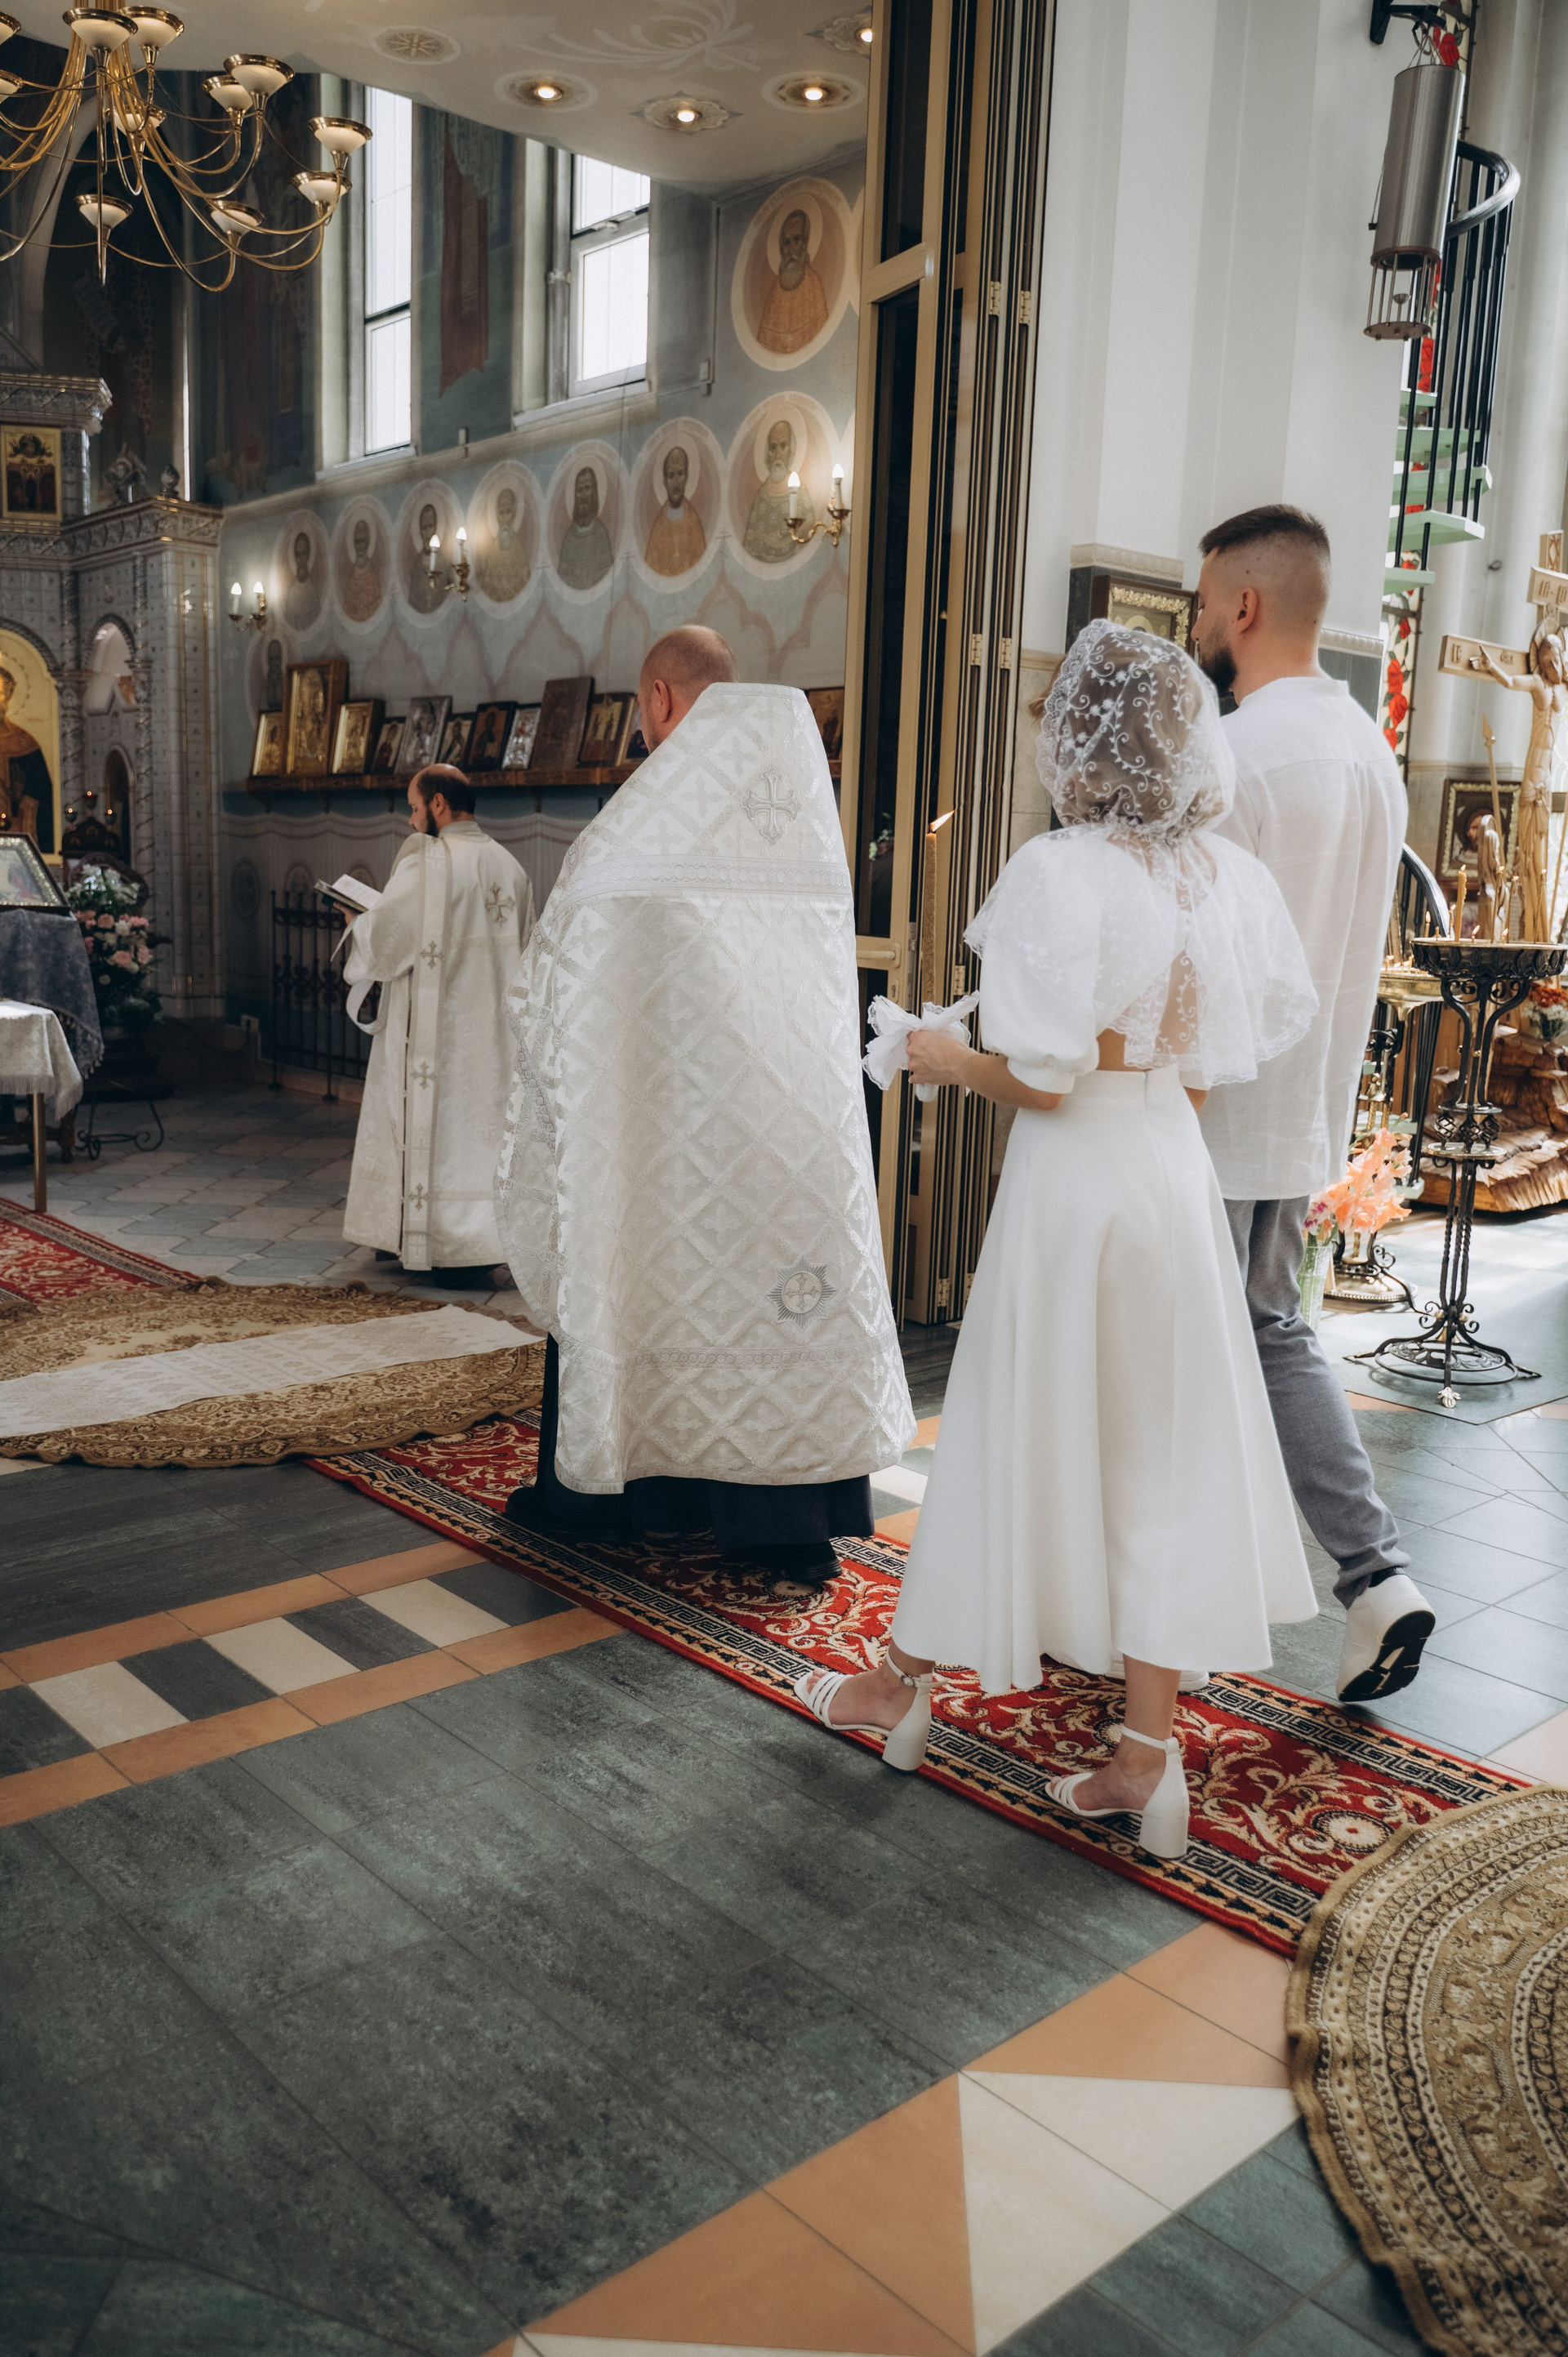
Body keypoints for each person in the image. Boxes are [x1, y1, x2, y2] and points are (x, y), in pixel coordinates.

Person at [793, 624, 1320, 1858]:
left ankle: (899, 1685)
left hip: (1076, 1185)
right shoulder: (1222, 879)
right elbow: (1196, 1074)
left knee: (1005, 1428)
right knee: (1158, 1458)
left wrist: (939, 1054)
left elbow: (1043, 1076)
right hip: (1171, 1174)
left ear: (1084, 744)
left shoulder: (1060, 870)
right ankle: (1146, 1758)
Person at [495, 623, 914, 1588]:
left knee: (648, 1275)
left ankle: (631, 1498)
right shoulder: (795, 809)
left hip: (665, 1144)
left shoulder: (640, 829)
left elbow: (562, 975)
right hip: (788, 1135)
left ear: (659, 700)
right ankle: (788, 1522)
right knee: (780, 1297)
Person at [1192, 503, 1437, 1702]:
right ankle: (1374, 1572)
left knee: (1193, 1350)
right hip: (1301, 1111)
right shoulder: (1370, 754)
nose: (1198, 625)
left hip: (1210, 1109)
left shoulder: (1237, 753)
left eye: (1201, 603)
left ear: (1242, 605)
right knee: (1271, 1330)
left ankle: (1174, 1616)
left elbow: (1200, 954)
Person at [343, 764, 534, 1285]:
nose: (411, 821)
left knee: (429, 1133)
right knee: (483, 1141)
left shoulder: (428, 863)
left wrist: (357, 924)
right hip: (494, 1039)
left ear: (439, 805)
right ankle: (479, 1243)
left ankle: (432, 1242)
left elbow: (387, 943)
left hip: (436, 1040)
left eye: (414, 807)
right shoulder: (511, 866)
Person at [0, 666, 54, 848]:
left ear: (8, 697)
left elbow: (45, 799)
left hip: (14, 833)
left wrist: (21, 798)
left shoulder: (25, 742)